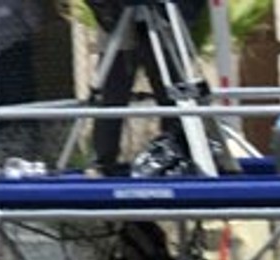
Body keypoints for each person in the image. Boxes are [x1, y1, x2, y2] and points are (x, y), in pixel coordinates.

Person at [85, 0, 209, 175]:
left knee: (174, 92)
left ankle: (179, 154)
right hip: (117, 17)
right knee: (112, 92)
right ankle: (102, 163)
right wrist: (109, 13)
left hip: (165, 19)